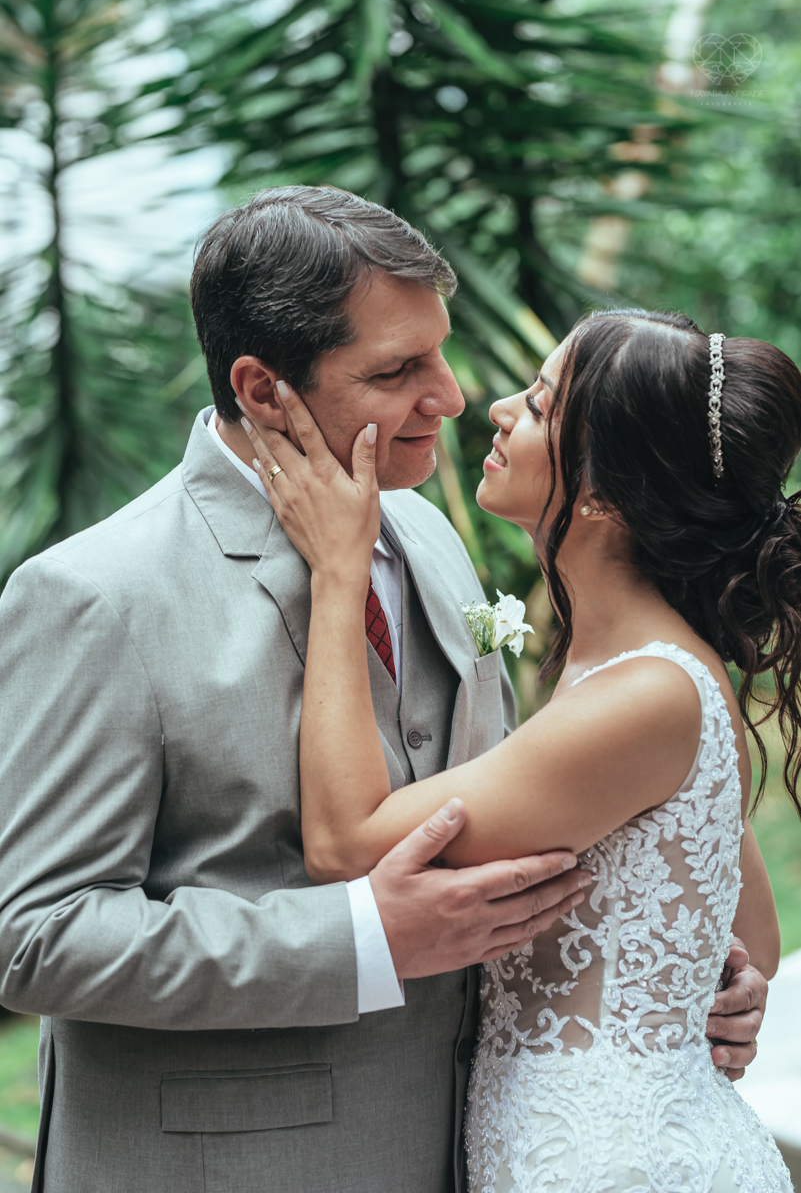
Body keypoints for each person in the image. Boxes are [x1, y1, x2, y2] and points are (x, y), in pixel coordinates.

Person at [0, 187, 763, 1193]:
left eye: (439, 352)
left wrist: (670, 975)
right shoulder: (99, 596)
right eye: (398, 370)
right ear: (263, 389)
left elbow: (533, 825)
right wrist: (360, 937)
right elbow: (38, 936)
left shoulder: (434, 539)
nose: (448, 397)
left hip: (499, 1152)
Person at [242, 306, 798, 1192]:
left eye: (539, 405)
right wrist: (719, 984)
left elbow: (347, 842)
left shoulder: (647, 692)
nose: (495, 407)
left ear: (606, 492)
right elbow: (750, 933)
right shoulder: (634, 665)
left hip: (611, 1164)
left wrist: (339, 575)